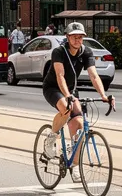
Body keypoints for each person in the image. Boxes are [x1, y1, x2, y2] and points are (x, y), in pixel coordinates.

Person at [42, 23, 112, 154]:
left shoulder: (86, 52)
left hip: (71, 90)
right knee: (66, 109)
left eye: (80, 37)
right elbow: (60, 75)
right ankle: (51, 139)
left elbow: (93, 75)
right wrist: (67, 96)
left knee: (79, 122)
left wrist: (103, 95)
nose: (77, 40)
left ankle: (74, 163)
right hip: (53, 87)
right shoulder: (59, 52)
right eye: (74, 37)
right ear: (67, 37)